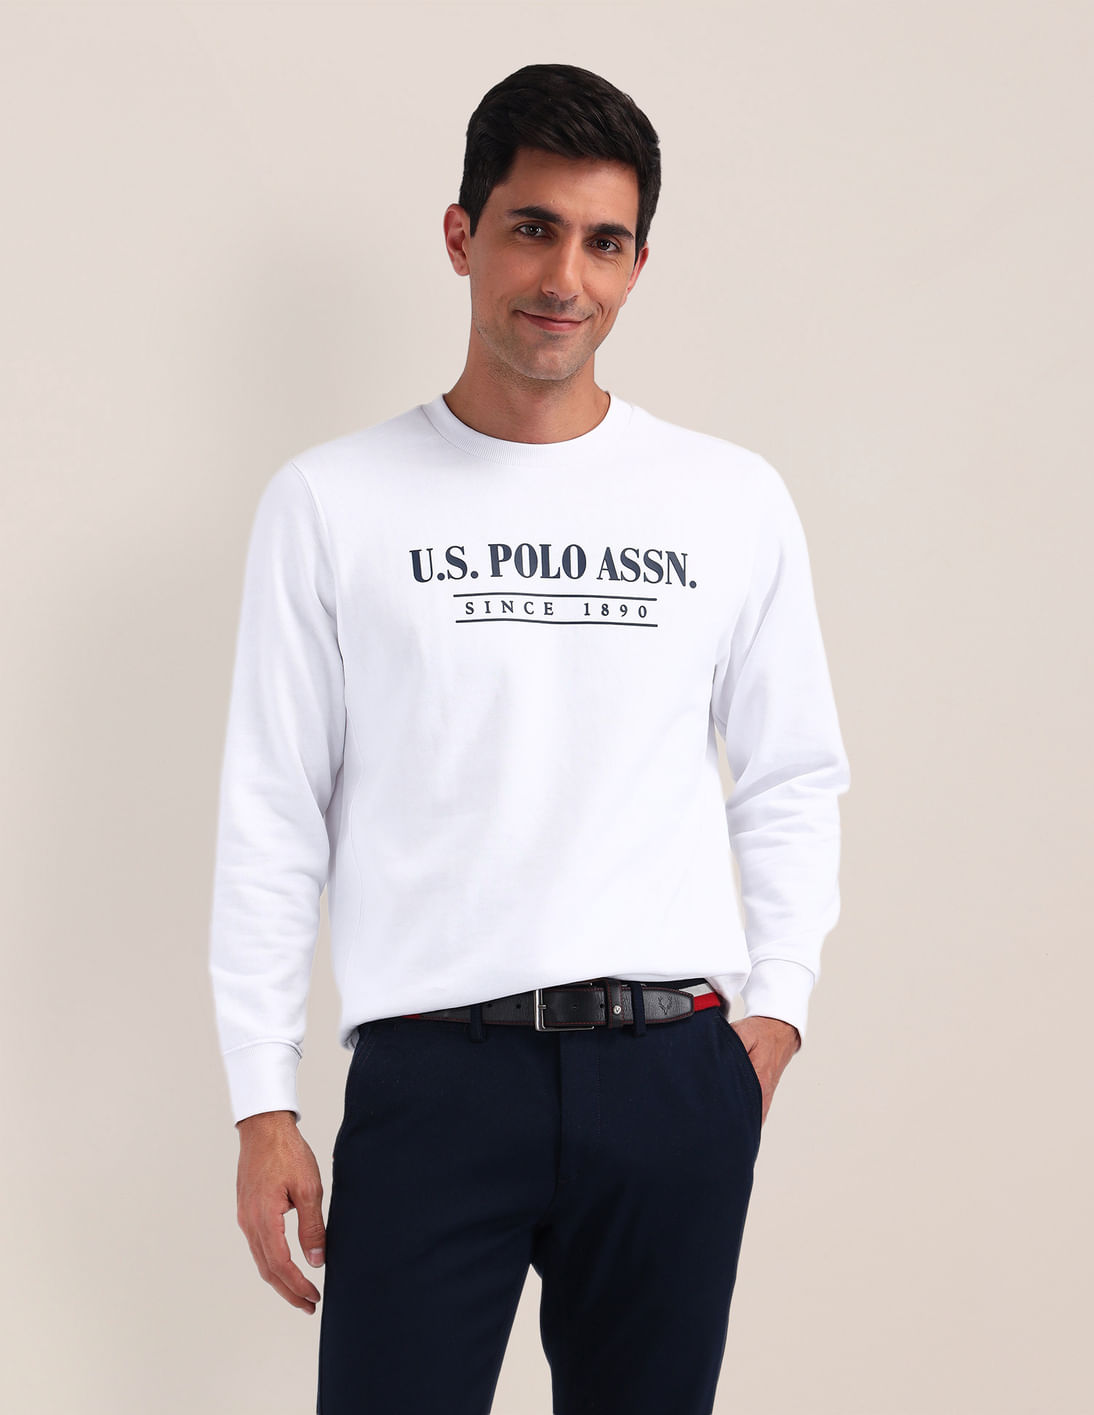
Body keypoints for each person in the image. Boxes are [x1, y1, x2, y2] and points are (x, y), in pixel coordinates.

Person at [208, 62, 851, 1415]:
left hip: (672, 1073)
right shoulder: (332, 502)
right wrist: (263, 1102)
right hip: (436, 1079)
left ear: (638, 264)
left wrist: (779, 1008)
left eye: (605, 242)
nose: (566, 277)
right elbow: (274, 809)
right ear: (462, 235)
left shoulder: (726, 500)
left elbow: (792, 772)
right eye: (533, 228)